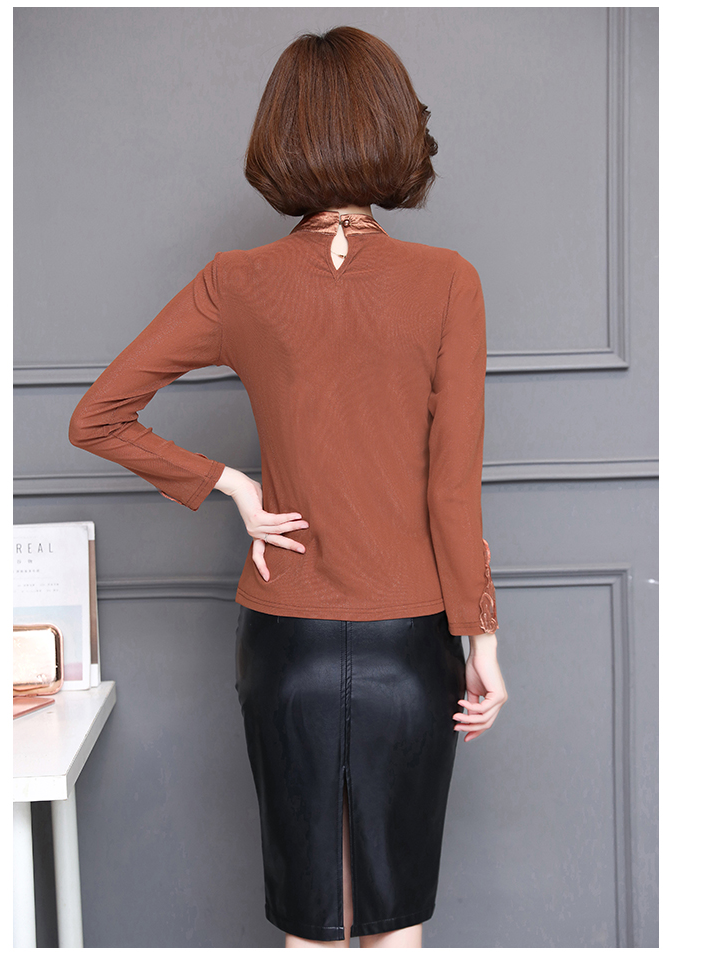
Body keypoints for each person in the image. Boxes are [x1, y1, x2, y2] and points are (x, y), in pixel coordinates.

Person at [68, 25, 508, 949]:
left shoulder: (238, 282)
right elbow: (451, 491)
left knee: (308, 930)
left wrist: (233, 484)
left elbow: (98, 416)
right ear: (394, 128)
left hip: (286, 642)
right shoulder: (448, 282)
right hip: (410, 643)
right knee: (394, 928)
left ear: (282, 138)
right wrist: (483, 642)